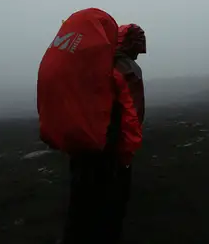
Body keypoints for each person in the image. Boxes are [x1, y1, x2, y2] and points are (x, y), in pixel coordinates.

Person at [62, 23, 146, 244]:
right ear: (132, 44)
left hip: (83, 147)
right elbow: (132, 115)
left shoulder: (94, 64)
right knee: (110, 213)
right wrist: (126, 154)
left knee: (80, 209)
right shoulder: (127, 69)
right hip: (110, 151)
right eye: (138, 46)